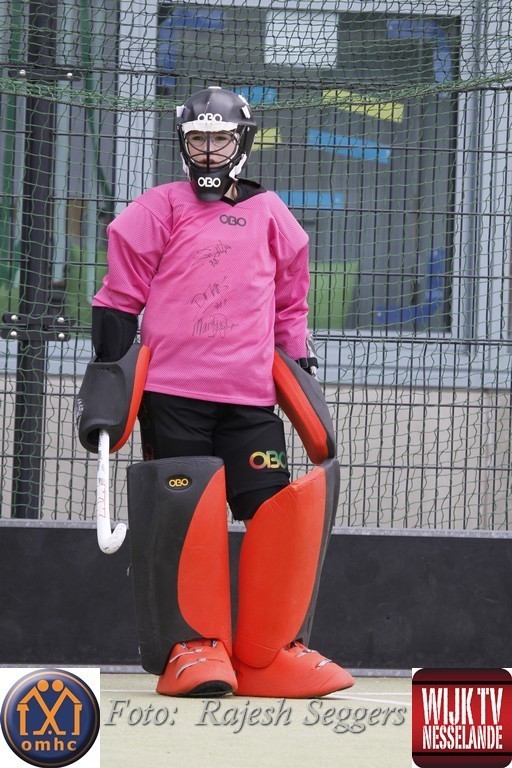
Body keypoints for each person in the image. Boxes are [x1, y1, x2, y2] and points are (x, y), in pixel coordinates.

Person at [89, 86, 354, 697]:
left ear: (242, 142)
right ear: (184, 145)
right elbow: (120, 295)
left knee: (275, 512)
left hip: (250, 398)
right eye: (198, 139)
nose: (209, 151)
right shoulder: (160, 206)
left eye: (220, 138)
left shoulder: (271, 214)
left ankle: (268, 652)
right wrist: (107, 371)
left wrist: (301, 367)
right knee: (187, 516)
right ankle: (194, 646)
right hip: (173, 392)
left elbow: (291, 305)